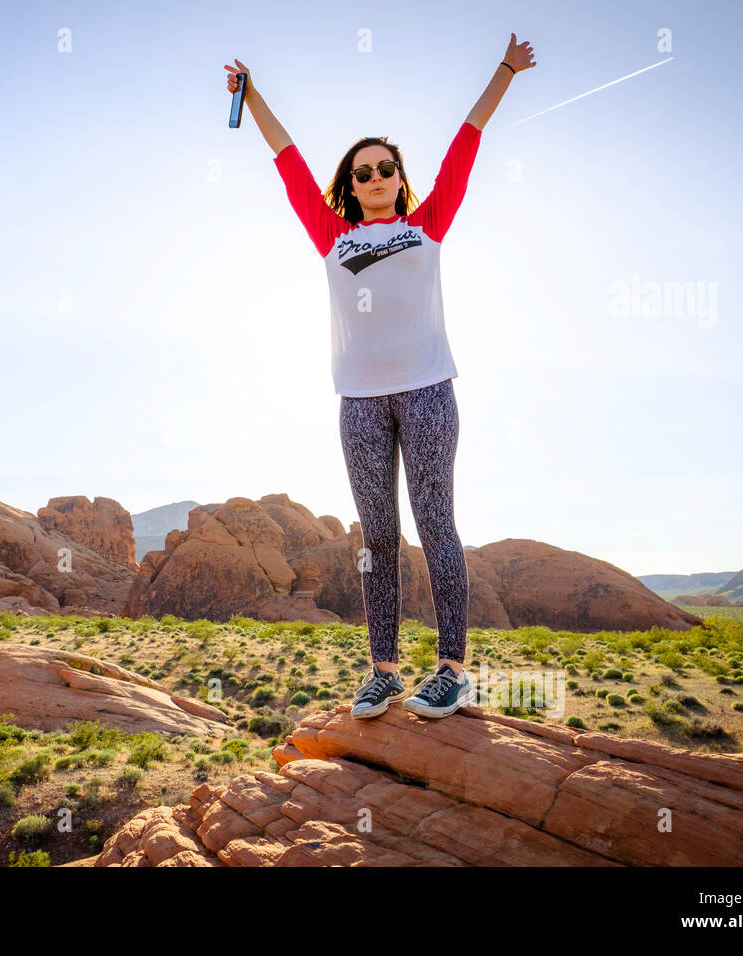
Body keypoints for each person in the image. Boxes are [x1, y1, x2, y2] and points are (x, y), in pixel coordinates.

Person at [225, 34, 536, 720]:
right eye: (361, 172)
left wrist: (505, 70)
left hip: (428, 392)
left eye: (384, 169)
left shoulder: (427, 226)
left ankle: (453, 668)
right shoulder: (332, 237)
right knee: (378, 540)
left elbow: (467, 139)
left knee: (436, 525)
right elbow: (289, 161)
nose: (372, 179)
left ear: (400, 179)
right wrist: (253, 97)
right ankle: (384, 671)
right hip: (359, 405)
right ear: (351, 184)